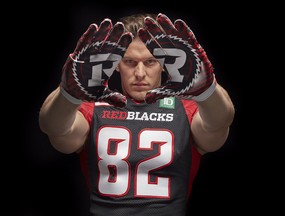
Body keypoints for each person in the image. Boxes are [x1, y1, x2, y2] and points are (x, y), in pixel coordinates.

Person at [39, 12, 235, 216]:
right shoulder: (95, 108)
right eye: (130, 62)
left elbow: (219, 123)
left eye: (150, 62)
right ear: (115, 64)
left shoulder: (188, 110)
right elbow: (54, 128)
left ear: (165, 63)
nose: (140, 73)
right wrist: (69, 94)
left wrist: (207, 90)